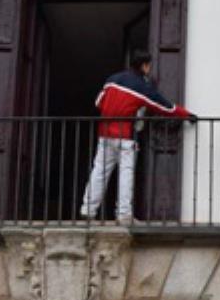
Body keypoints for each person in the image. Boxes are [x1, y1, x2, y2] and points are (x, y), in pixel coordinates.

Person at [80, 49, 195, 224]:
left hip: (104, 134)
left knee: (99, 172)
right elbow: (166, 107)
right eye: (149, 65)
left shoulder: (112, 80)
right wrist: (187, 115)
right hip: (125, 136)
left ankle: (87, 209)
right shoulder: (142, 87)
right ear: (144, 66)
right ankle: (124, 214)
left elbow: (98, 102)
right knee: (126, 174)